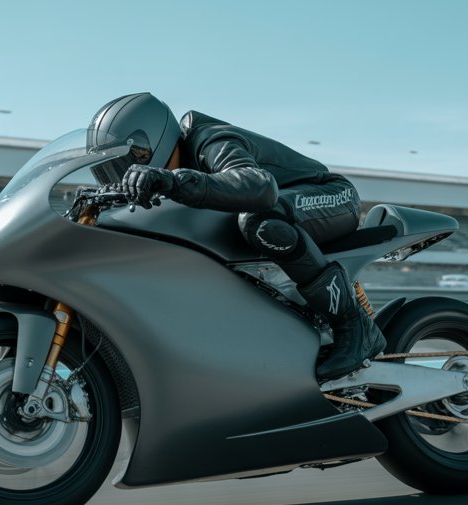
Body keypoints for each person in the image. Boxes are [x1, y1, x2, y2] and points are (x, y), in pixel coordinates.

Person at [87, 91, 385, 380]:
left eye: (127, 164)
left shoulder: (209, 139)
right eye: (111, 171)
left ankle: (354, 325)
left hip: (331, 196)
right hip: (293, 207)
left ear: (151, 142)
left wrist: (172, 180)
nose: (127, 174)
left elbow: (260, 187)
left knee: (262, 222)